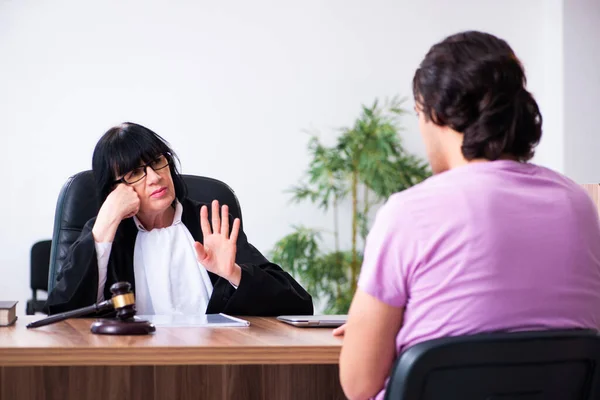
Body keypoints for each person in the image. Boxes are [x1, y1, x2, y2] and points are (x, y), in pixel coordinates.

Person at [336, 31, 600, 400]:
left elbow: (358, 383)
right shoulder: (578, 205)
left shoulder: (410, 212)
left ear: (435, 112)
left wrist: (376, 334)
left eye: (417, 115)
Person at [45, 122, 313, 317]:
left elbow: (298, 303)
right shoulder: (108, 233)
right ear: (116, 190)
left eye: (158, 162)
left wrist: (233, 274)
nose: (154, 177)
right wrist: (104, 225)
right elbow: (61, 313)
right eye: (135, 173)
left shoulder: (209, 223)